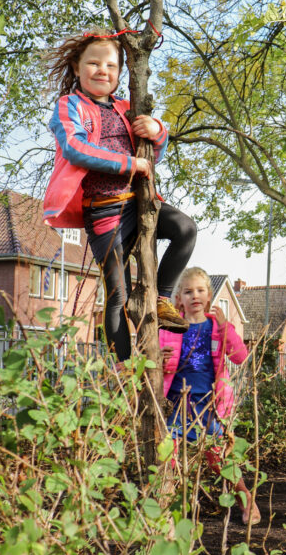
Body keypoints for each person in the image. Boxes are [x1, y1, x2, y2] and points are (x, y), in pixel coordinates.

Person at [43, 30, 196, 362]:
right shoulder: (69, 106)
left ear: (120, 72)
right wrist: (131, 163)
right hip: (104, 212)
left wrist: (159, 133)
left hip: (140, 202)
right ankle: (123, 370)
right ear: (76, 65)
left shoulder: (128, 108)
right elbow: (75, 148)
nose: (102, 70)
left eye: (111, 65)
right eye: (93, 63)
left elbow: (152, 154)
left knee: (185, 228)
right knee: (117, 295)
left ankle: (162, 296)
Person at [159, 267, 261, 525]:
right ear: (179, 299)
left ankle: (245, 499)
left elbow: (240, 356)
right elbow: (154, 360)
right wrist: (160, 360)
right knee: (166, 455)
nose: (195, 295)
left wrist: (228, 329)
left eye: (201, 290)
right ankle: (165, 506)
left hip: (207, 405)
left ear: (209, 296)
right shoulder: (169, 327)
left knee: (218, 457)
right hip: (175, 403)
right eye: (188, 291)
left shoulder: (216, 327)